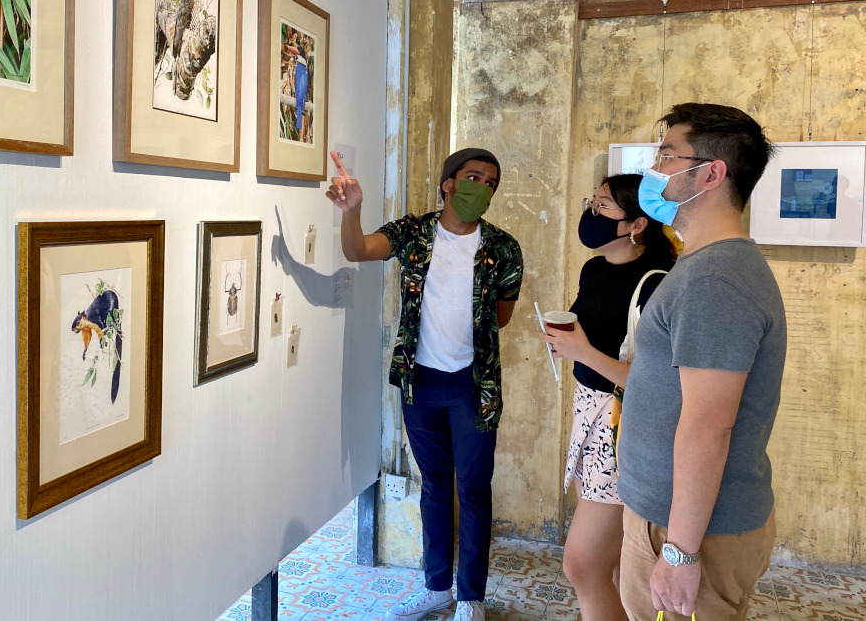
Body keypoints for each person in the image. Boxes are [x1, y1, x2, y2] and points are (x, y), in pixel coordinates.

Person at [327, 148, 523, 621]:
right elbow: (357, 250)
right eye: (474, 176)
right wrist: (351, 213)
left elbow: (501, 317)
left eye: (491, 182)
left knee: (473, 488)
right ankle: (437, 586)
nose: (483, 187)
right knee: (435, 484)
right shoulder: (414, 232)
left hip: (475, 387)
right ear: (448, 183)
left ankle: (470, 597)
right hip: (420, 384)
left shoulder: (503, 248)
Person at [616, 104, 785, 621]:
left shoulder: (716, 279)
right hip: (673, 522)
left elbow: (709, 426)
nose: (654, 169)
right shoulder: (705, 266)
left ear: (711, 173)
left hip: (690, 533)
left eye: (667, 155)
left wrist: (681, 552)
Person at [540, 174, 675, 621]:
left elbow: (652, 380)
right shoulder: (594, 268)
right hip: (588, 412)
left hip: (624, 423)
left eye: (603, 208)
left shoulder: (657, 282)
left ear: (637, 224)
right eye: (591, 203)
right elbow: (584, 330)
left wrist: (581, 351)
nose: (591, 215)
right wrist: (563, 341)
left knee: (581, 564)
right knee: (615, 565)